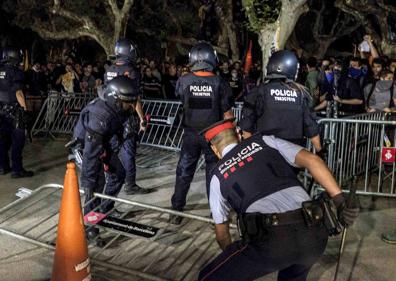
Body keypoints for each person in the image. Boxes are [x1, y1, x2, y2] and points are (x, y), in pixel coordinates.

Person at [198, 119, 359, 281]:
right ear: (239, 135)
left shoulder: (217, 177)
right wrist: (340, 202)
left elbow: (222, 235)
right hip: (315, 232)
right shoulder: (265, 141)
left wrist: (238, 262)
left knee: (207, 277)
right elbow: (313, 160)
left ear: (214, 148)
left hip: (272, 242)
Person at [170, 41, 234, 223]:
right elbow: (227, 112)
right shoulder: (219, 82)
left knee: (183, 172)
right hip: (213, 136)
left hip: (190, 135)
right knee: (213, 175)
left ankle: (176, 211)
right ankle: (216, 214)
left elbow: (181, 99)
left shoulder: (184, 80)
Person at [72, 76, 141, 240]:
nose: (130, 106)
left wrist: (126, 134)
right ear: (115, 99)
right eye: (127, 102)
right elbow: (90, 155)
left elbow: (114, 135)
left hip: (104, 142)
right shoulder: (100, 116)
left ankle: (106, 209)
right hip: (85, 147)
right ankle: (91, 227)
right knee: (95, 185)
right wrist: (87, 183)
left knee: (119, 174)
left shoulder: (119, 108)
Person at [240, 50, 322, 152]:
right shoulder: (301, 93)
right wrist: (319, 151)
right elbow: (311, 128)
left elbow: (247, 126)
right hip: (292, 154)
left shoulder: (259, 91)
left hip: (264, 153)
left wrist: (252, 153)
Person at [104, 38, 148, 195]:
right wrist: (142, 119)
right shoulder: (132, 71)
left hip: (110, 115)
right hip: (126, 117)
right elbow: (134, 98)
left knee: (111, 150)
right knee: (128, 150)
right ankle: (130, 184)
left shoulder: (109, 69)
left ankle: (111, 181)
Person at [0, 47, 34, 178]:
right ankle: (17, 170)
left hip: (1, 110)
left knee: (2, 141)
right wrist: (25, 110)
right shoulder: (16, 73)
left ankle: (3, 167)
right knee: (18, 142)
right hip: (14, 111)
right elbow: (18, 93)